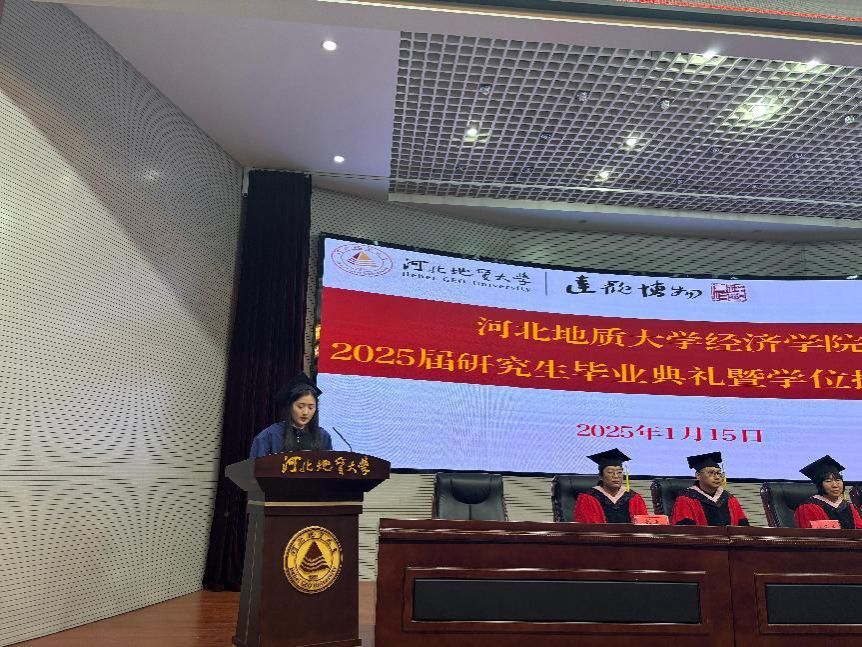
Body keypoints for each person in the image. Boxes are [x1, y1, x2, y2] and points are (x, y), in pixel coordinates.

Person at [249, 372, 333, 458]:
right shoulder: (269, 436)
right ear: (290, 406)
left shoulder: (323, 436)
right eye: (300, 406)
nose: (305, 412)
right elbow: (255, 465)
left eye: (311, 407)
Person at [670, 452, 749, 526]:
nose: (717, 477)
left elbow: (744, 529)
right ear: (698, 475)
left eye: (719, 473)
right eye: (711, 473)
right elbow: (684, 531)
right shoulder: (686, 499)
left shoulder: (730, 499)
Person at [573, 448, 649, 523]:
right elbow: (587, 527)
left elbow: (644, 525)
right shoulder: (588, 498)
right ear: (600, 476)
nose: (616, 476)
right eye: (610, 472)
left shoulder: (634, 498)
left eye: (619, 472)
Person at [794, 455, 862, 529]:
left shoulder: (849, 507)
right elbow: (812, 533)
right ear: (820, 484)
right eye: (828, 481)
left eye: (838, 480)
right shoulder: (809, 507)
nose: (835, 485)